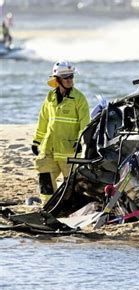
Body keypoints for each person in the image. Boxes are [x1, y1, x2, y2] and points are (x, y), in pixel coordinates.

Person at [32, 60, 90, 204]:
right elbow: (43, 120)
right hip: (48, 149)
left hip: (69, 151)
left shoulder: (79, 98)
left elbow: (85, 123)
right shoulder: (50, 97)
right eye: (66, 77)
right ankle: (47, 207)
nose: (70, 80)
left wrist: (81, 141)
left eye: (71, 76)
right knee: (45, 181)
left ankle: (69, 209)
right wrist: (36, 141)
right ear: (57, 79)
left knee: (72, 185)